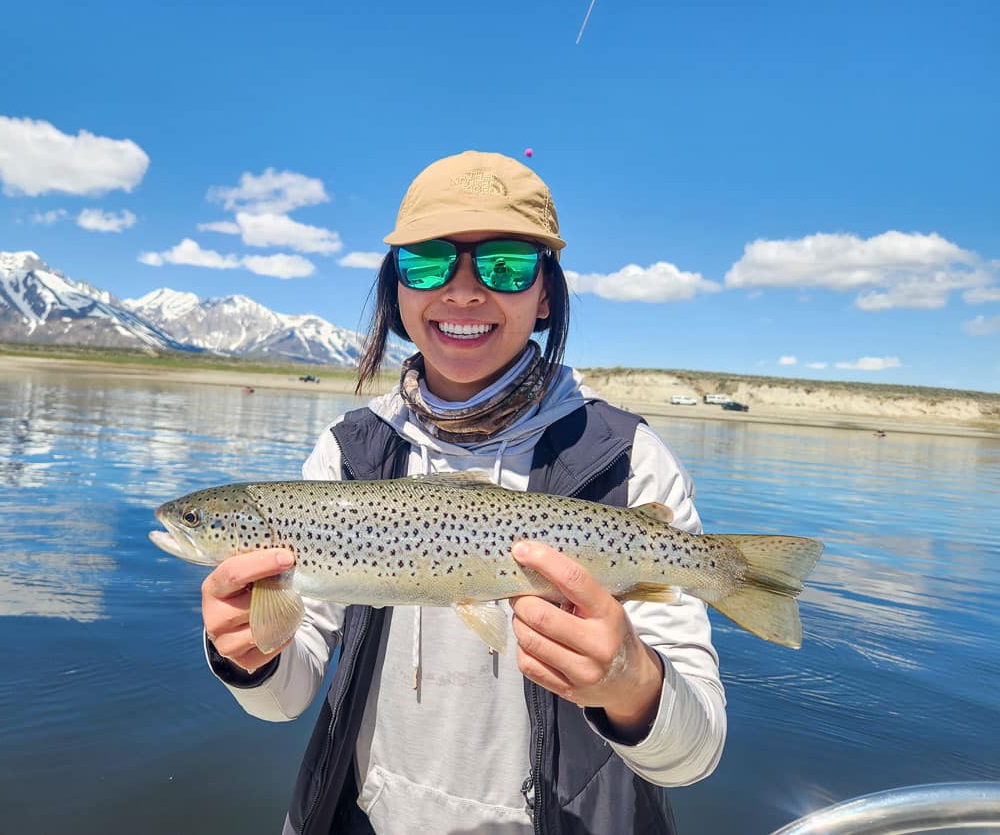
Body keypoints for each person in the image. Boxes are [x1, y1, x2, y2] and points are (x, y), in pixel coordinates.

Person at [200, 150, 726, 834]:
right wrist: (247, 652)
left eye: (505, 264)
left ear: (545, 295)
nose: (464, 290)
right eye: (427, 263)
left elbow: (696, 753)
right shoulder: (349, 454)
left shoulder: (626, 461)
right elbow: (286, 696)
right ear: (396, 291)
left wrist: (630, 680)